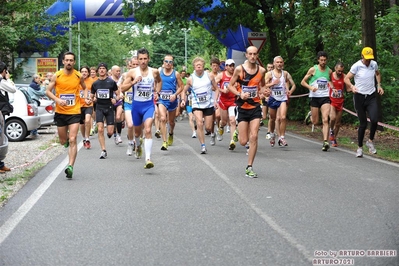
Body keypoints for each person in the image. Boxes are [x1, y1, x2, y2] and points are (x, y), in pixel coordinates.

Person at [46, 52, 89, 178]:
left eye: (71, 60)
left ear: (74, 62)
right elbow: (48, 91)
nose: (69, 62)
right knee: (63, 140)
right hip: (60, 112)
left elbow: (85, 88)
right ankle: (65, 141)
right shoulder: (57, 76)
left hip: (74, 112)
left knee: (73, 139)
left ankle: (70, 166)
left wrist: (85, 98)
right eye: (67, 60)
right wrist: (57, 100)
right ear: (63, 62)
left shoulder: (78, 75)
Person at [228, 46, 267, 178]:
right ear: (246, 55)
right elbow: (230, 86)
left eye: (254, 54)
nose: (252, 56)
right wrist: (239, 93)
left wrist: (265, 92)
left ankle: (249, 166)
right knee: (243, 142)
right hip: (242, 108)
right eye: (250, 54)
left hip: (255, 106)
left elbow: (262, 87)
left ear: (257, 56)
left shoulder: (261, 70)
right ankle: (238, 131)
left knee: (254, 136)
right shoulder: (239, 69)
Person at [121, 47, 162, 169]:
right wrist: (133, 83)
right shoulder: (132, 73)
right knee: (137, 132)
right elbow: (122, 88)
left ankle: (148, 158)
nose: (143, 61)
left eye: (145, 59)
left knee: (148, 129)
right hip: (136, 106)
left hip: (148, 105)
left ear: (148, 59)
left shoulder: (154, 72)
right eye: (140, 59)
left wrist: (157, 92)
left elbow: (159, 81)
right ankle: (138, 145)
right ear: (137, 60)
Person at [344, 47, 384, 157]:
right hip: (359, 97)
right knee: (363, 124)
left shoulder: (373, 64)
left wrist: (379, 85)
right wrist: (352, 87)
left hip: (371, 96)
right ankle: (360, 147)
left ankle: (370, 142)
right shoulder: (356, 66)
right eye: (366, 59)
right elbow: (346, 78)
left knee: (375, 119)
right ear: (362, 56)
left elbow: (377, 74)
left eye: (370, 59)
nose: (368, 61)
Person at [181, 57, 219, 154]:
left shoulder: (209, 76)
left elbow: (217, 88)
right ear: (194, 67)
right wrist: (182, 100)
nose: (198, 66)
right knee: (199, 123)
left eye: (200, 65)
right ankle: (203, 145)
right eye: (197, 65)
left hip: (208, 104)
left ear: (203, 66)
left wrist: (215, 101)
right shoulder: (190, 79)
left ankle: (212, 133)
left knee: (208, 127)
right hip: (197, 104)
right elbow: (184, 91)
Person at [300, 51, 334, 151]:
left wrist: (332, 87)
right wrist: (310, 87)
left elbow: (330, 81)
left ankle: (325, 142)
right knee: (315, 121)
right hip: (314, 97)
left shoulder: (329, 71)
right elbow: (302, 82)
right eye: (321, 60)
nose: (323, 62)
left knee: (325, 119)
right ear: (318, 60)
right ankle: (311, 115)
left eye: (325, 60)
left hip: (325, 97)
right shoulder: (313, 69)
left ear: (327, 60)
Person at [265, 56, 296, 147]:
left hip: (282, 98)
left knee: (283, 117)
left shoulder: (285, 73)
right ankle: (272, 134)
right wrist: (272, 83)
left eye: (281, 62)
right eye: (277, 62)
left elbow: (293, 85)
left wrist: (290, 91)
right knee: (272, 118)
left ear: (283, 63)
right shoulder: (269, 74)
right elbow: (264, 85)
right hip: (273, 98)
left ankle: (282, 137)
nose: (279, 64)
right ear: (274, 63)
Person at [91, 63, 120, 159]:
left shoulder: (111, 82)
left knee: (110, 132)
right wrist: (93, 99)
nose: (102, 70)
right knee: (100, 129)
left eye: (103, 68)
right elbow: (92, 96)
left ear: (106, 70)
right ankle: (103, 150)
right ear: (98, 71)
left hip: (109, 108)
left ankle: (111, 133)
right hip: (99, 107)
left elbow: (118, 94)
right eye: (100, 69)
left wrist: (115, 99)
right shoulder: (95, 84)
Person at [158, 54, 184, 150]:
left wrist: (175, 95)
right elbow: (154, 83)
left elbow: (181, 87)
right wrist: (156, 92)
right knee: (163, 118)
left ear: (172, 64)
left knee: (171, 122)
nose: (168, 64)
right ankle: (164, 142)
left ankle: (171, 133)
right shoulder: (159, 72)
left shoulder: (176, 74)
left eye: (170, 62)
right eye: (166, 62)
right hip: (162, 100)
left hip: (172, 100)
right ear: (163, 63)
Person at [215, 59, 237, 150]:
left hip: (233, 101)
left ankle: (232, 141)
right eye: (230, 66)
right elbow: (213, 85)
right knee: (223, 121)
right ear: (226, 67)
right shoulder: (221, 75)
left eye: (233, 65)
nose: (232, 67)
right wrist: (221, 90)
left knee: (232, 120)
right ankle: (220, 128)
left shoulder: (236, 75)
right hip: (223, 101)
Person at [120, 57, 138, 156]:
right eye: (133, 65)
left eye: (137, 64)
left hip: (139, 104)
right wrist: (120, 94)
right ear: (129, 65)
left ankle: (138, 143)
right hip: (128, 104)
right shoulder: (125, 76)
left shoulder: (143, 76)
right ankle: (131, 143)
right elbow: (120, 87)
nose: (135, 66)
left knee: (138, 127)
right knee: (130, 125)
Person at [0, 61, 16, 173]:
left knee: (1, 137)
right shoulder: (1, 81)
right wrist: (8, 78)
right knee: (0, 137)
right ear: (4, 70)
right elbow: (13, 89)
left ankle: (0, 164)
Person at [329, 62, 346, 147]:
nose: (340, 73)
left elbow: (349, 86)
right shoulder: (330, 75)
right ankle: (331, 130)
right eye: (338, 71)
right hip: (331, 101)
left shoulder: (344, 76)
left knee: (338, 123)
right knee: (332, 118)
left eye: (341, 71)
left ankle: (334, 138)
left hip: (340, 101)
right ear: (335, 68)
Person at [79, 66, 94, 149]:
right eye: (82, 71)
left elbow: (94, 92)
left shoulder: (91, 81)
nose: (84, 73)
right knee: (82, 123)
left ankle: (87, 139)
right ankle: (84, 138)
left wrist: (91, 99)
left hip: (88, 104)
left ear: (88, 73)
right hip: (79, 105)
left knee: (87, 120)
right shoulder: (77, 81)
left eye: (85, 71)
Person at [27, 74, 46, 138]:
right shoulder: (33, 85)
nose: (39, 80)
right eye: (38, 78)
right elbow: (41, 93)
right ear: (35, 79)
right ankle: (33, 132)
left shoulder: (33, 85)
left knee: (35, 117)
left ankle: (34, 132)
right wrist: (43, 86)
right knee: (34, 117)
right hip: (33, 102)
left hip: (33, 102)